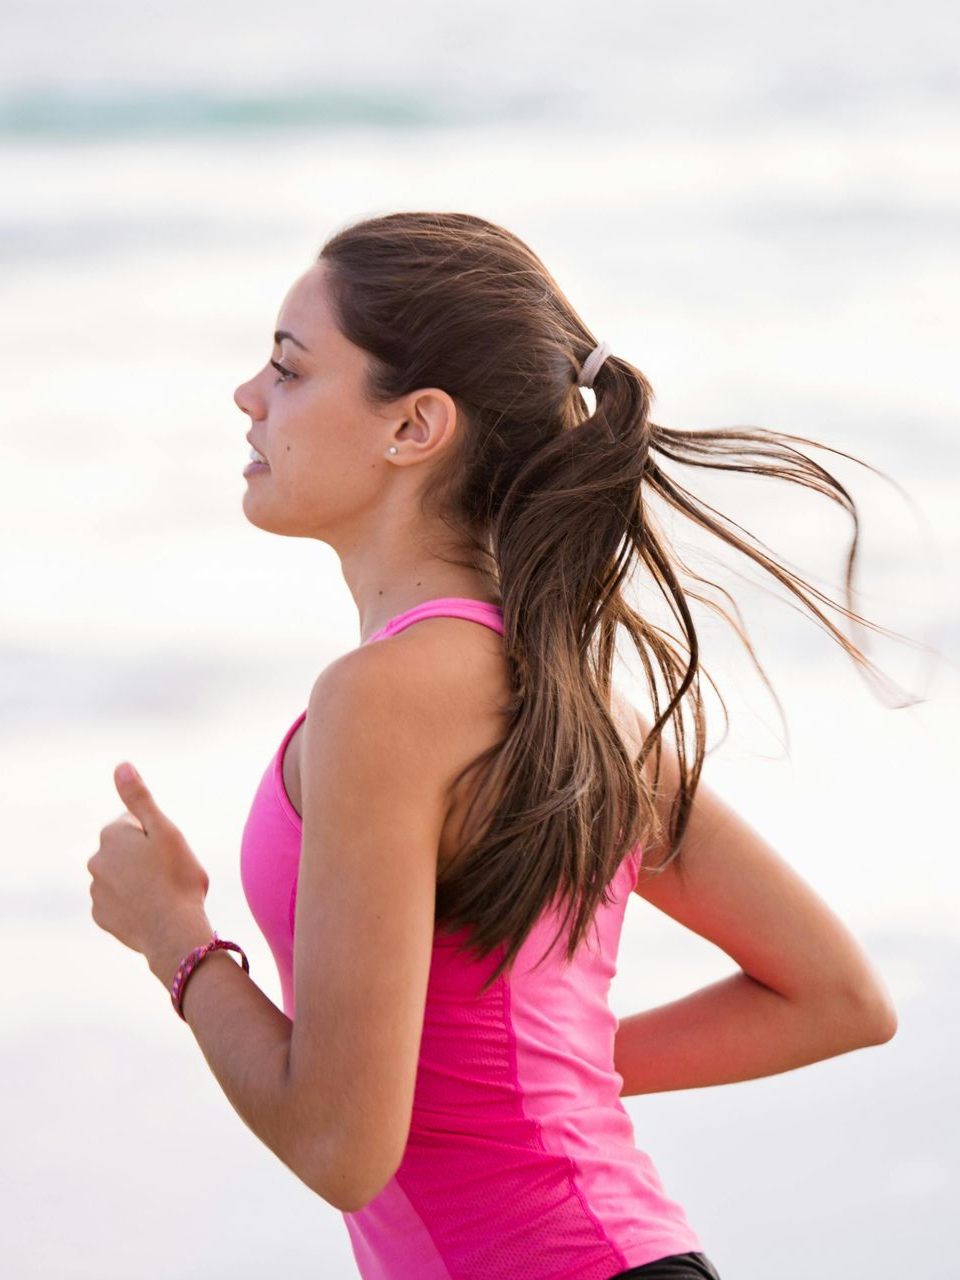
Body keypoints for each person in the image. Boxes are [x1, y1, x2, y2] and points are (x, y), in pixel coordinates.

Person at [94, 210, 910, 1280]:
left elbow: (340, 1147)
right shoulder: (569, 697)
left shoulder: (382, 699)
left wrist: (176, 937)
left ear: (414, 425)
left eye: (289, 369)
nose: (248, 395)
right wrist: (532, 1083)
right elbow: (835, 997)